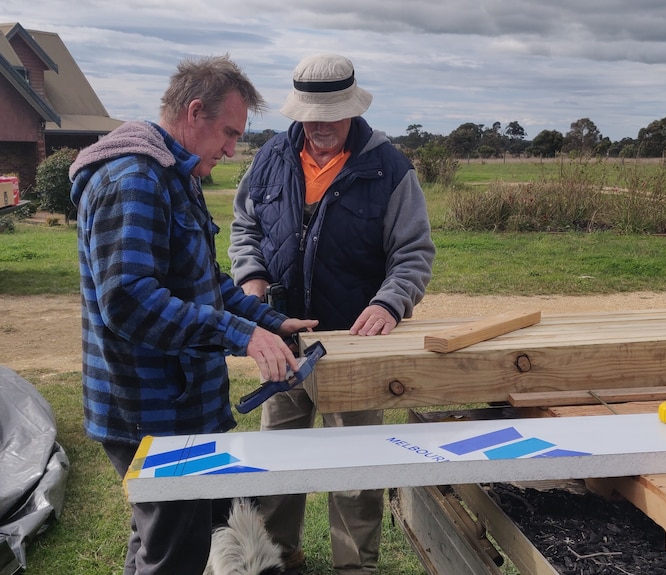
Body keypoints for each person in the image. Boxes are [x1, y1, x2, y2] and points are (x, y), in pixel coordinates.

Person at [69, 54, 317, 575]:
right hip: (151, 407)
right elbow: (128, 300)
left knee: (162, 539)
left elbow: (206, 282)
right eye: (228, 133)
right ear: (194, 112)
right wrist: (240, 336)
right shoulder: (133, 180)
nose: (231, 149)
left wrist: (267, 322)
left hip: (181, 404)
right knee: (176, 554)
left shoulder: (173, 175)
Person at [228, 54, 435, 574]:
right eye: (309, 115)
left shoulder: (389, 167)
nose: (319, 125)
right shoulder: (270, 157)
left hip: (356, 344)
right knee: (278, 459)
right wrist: (250, 277)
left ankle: (354, 567)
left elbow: (413, 255)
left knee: (356, 467)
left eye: (331, 114)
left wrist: (389, 303)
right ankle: (279, 558)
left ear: (353, 107)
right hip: (283, 339)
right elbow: (244, 228)